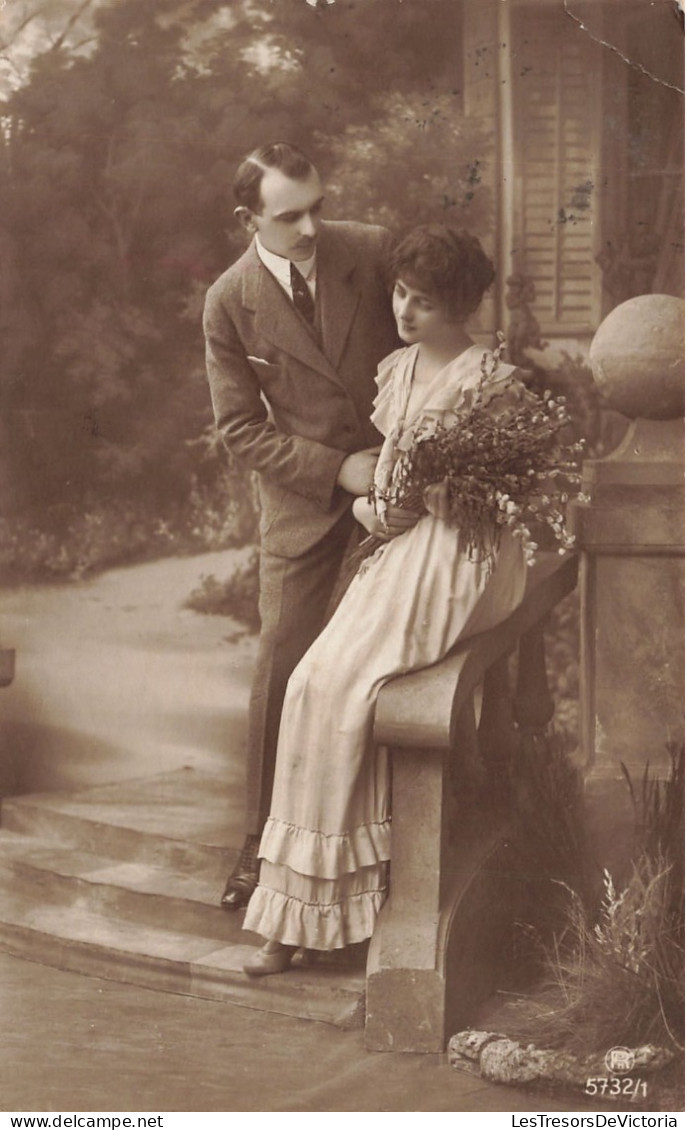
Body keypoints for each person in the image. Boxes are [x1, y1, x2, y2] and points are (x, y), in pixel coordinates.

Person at [240, 225, 530, 975]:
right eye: (400, 293)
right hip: (402, 549)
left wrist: (433, 497)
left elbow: (503, 500)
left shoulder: (490, 379)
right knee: (310, 683)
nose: (404, 311)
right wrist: (375, 511)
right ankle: (298, 911)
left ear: (459, 307)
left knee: (347, 686)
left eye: (423, 302)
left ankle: (327, 915)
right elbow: (383, 483)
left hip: (460, 559)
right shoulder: (396, 370)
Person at [203, 143, 402, 909]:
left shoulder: (371, 250)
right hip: (302, 504)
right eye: (291, 216)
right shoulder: (228, 299)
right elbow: (238, 429)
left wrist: (392, 458)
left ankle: (384, 852)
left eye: (319, 206)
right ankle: (259, 848)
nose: (313, 227)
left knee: (387, 664)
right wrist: (334, 469)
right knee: (283, 666)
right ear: (247, 218)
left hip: (395, 487)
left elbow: (425, 344)